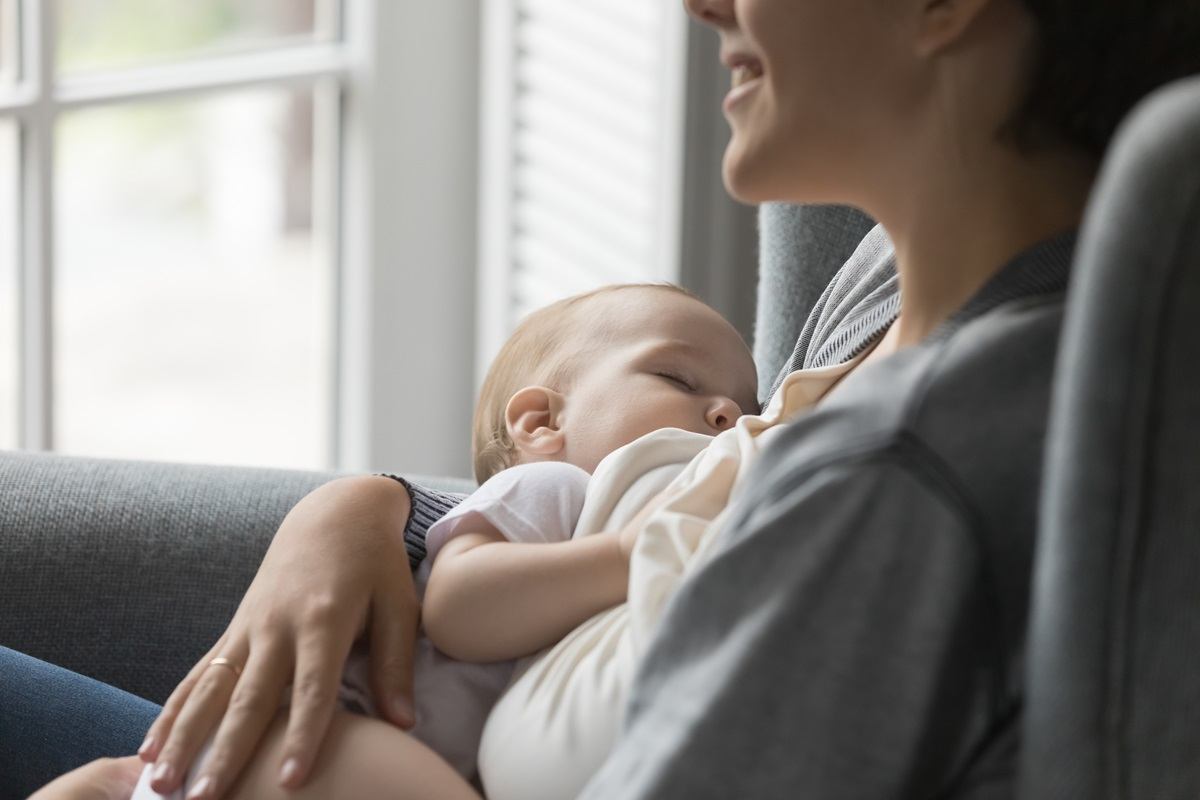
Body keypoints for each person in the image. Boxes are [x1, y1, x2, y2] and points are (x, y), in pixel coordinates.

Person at [16, 0, 1200, 797]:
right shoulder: (917, 273)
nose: (705, 4)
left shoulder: (898, 476)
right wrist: (371, 509)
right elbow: (624, 509)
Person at [126, 282, 760, 799]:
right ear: (542, 422)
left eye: (745, 402)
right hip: (318, 735)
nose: (728, 412)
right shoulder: (553, 488)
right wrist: (626, 553)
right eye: (679, 379)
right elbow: (460, 607)